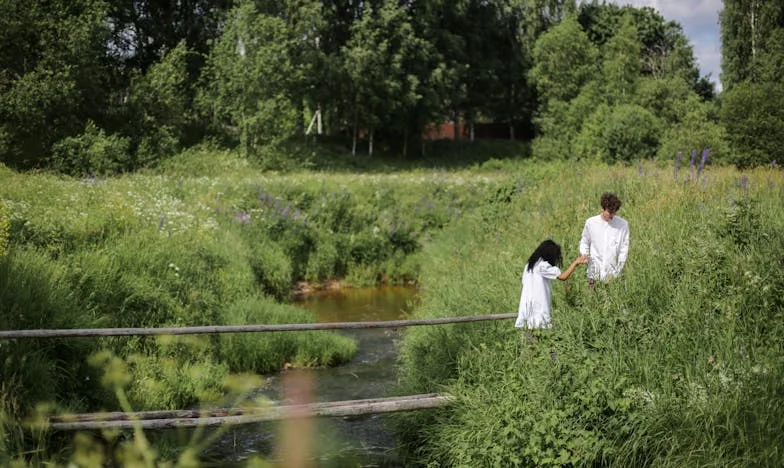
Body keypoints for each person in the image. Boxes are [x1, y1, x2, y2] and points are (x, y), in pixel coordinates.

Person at [515, 240, 588, 329]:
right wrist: (575, 263)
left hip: (526, 310)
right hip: (538, 311)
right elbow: (563, 277)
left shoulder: (529, 266)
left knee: (529, 337)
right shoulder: (543, 266)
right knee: (539, 336)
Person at [579, 192, 630, 284]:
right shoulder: (591, 223)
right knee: (592, 297)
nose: (612, 215)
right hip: (593, 272)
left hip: (612, 275)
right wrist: (584, 254)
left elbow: (624, 250)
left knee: (611, 298)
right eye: (610, 212)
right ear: (602, 208)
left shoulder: (623, 225)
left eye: (614, 212)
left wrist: (617, 272)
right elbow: (584, 241)